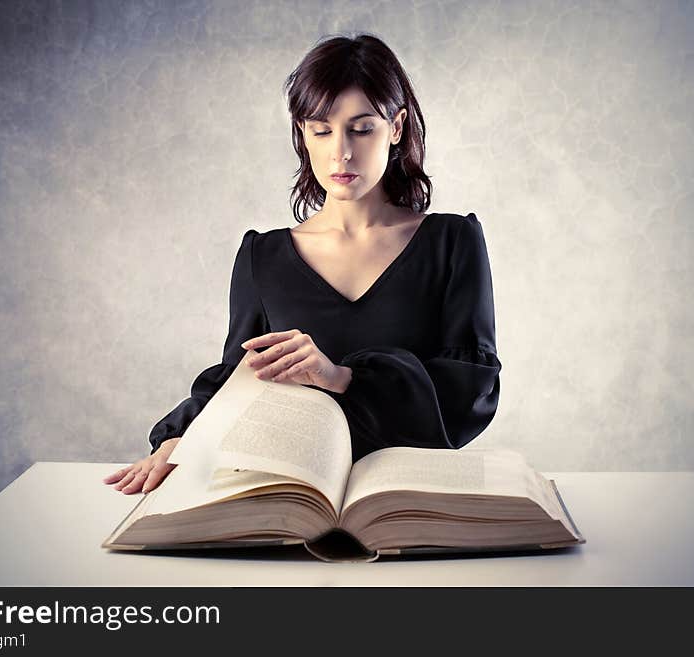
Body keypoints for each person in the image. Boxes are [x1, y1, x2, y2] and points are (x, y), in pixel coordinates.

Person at [104, 33, 502, 496]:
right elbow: (240, 378)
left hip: (406, 498)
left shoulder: (453, 242)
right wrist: (178, 438)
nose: (341, 152)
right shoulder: (263, 257)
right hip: (289, 493)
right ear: (302, 132)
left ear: (396, 127)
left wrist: (342, 378)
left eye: (362, 127)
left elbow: (471, 391)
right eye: (321, 129)